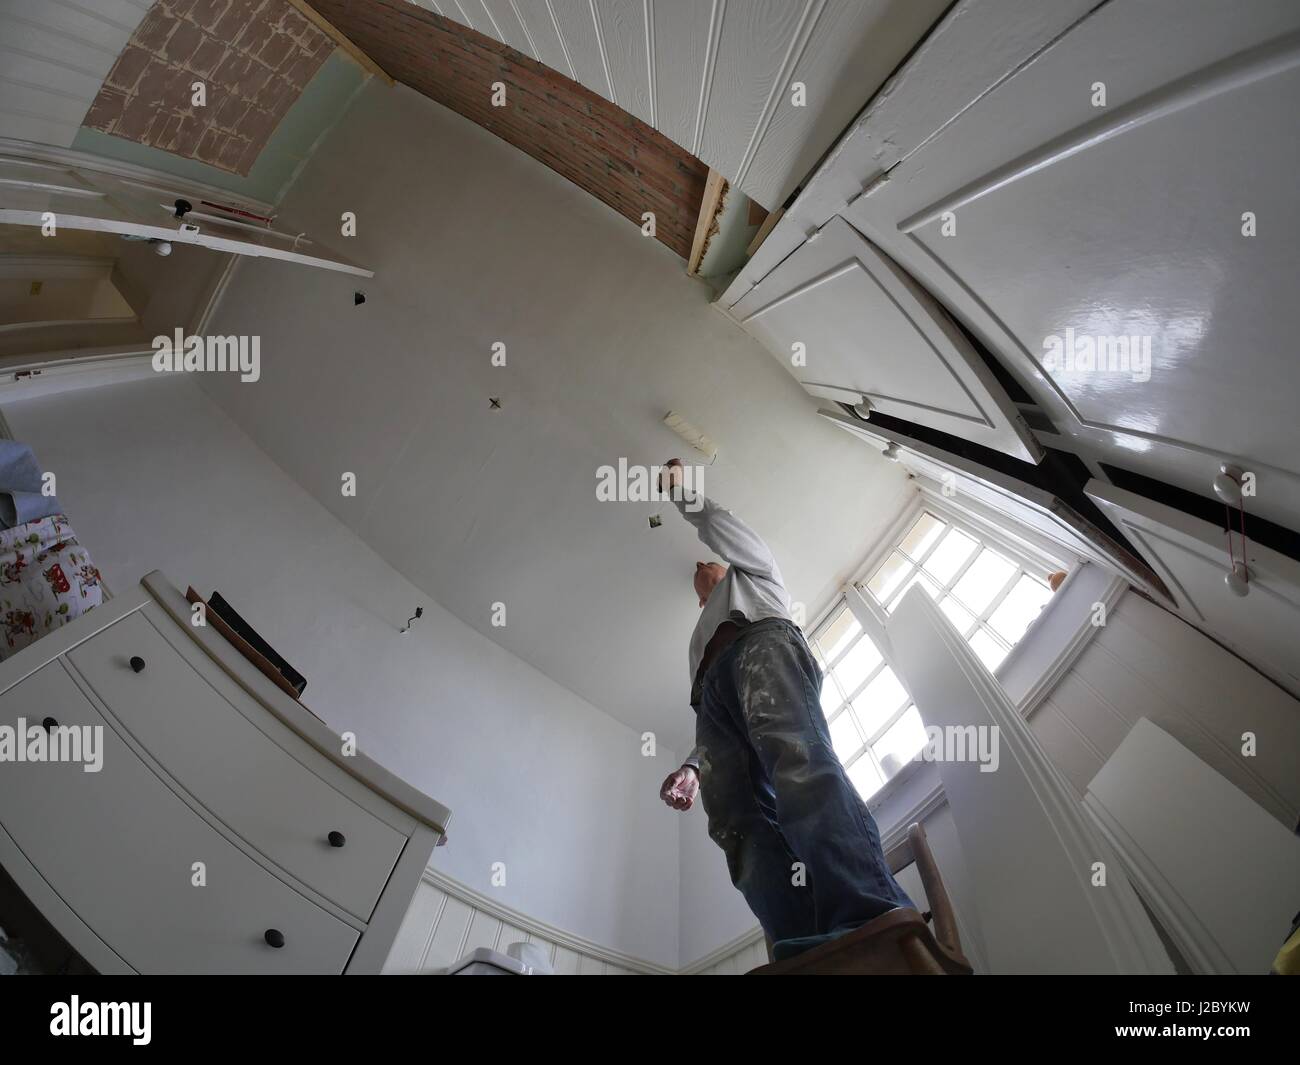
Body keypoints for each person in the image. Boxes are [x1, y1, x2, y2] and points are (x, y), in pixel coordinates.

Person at [656, 459, 912, 956]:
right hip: (711, 692)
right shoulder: (697, 638)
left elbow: (721, 526)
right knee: (733, 819)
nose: (698, 572)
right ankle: (804, 946)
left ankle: (867, 917)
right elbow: (712, 725)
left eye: (707, 566)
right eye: (698, 576)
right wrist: (692, 766)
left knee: (797, 765)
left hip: (761, 642)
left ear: (724, 567)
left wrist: (680, 490)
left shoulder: (757, 575)